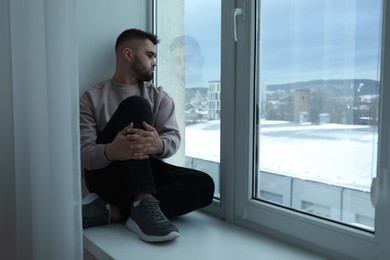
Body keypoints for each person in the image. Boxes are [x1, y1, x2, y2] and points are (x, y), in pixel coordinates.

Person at [80, 28, 215, 243]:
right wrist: (111, 151)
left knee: (204, 185)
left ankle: (116, 211)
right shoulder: (92, 97)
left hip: (144, 174)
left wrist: (158, 145)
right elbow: (85, 154)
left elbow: (173, 138)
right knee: (137, 105)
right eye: (150, 55)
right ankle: (142, 202)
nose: (155, 62)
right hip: (107, 176)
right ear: (128, 55)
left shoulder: (159, 96)